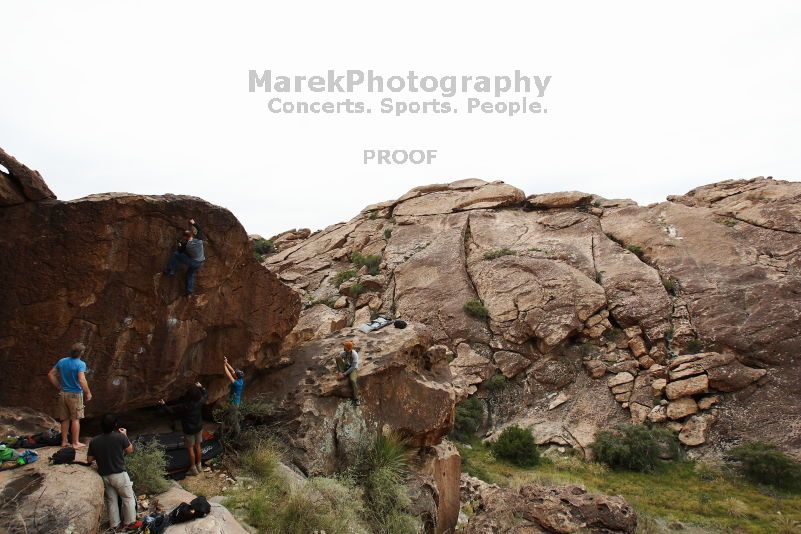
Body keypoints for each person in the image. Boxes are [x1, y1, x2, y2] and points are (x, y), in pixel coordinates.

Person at [87, 414, 137, 531]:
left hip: (104, 475)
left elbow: (89, 459)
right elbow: (130, 450)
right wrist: (125, 435)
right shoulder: (120, 437)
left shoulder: (94, 441)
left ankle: (114, 525)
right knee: (128, 498)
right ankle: (129, 523)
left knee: (111, 500)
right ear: (115, 425)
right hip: (119, 474)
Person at [47, 342, 92, 448]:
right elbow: (81, 380)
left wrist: (59, 386)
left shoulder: (62, 361)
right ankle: (75, 443)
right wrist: (88, 392)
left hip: (63, 393)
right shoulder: (81, 364)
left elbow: (50, 374)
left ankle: (64, 442)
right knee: (75, 419)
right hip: (75, 394)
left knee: (65, 419)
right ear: (81, 352)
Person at [159, 382, 208, 476]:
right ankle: (199, 465)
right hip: (198, 427)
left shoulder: (184, 406)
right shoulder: (200, 401)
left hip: (189, 430)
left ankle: (193, 469)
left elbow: (170, 411)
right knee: (198, 446)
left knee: (190, 449)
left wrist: (163, 404)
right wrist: (201, 387)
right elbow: (206, 394)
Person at [163, 218, 205, 296]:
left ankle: (170, 270)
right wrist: (193, 223)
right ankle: (189, 291)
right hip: (200, 262)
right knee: (190, 274)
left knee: (176, 255)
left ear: (186, 237)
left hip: (193, 262)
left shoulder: (186, 245)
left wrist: (179, 245)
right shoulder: (199, 240)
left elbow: (180, 251)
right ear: (192, 235)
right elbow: (199, 230)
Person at [335, 340, 360, 405]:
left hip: (352, 369)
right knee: (337, 358)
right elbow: (339, 360)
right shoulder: (344, 353)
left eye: (345, 347)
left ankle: (356, 398)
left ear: (348, 348)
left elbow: (353, 367)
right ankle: (340, 373)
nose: (344, 347)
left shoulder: (354, 354)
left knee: (353, 380)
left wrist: (344, 374)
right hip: (346, 366)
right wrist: (340, 371)